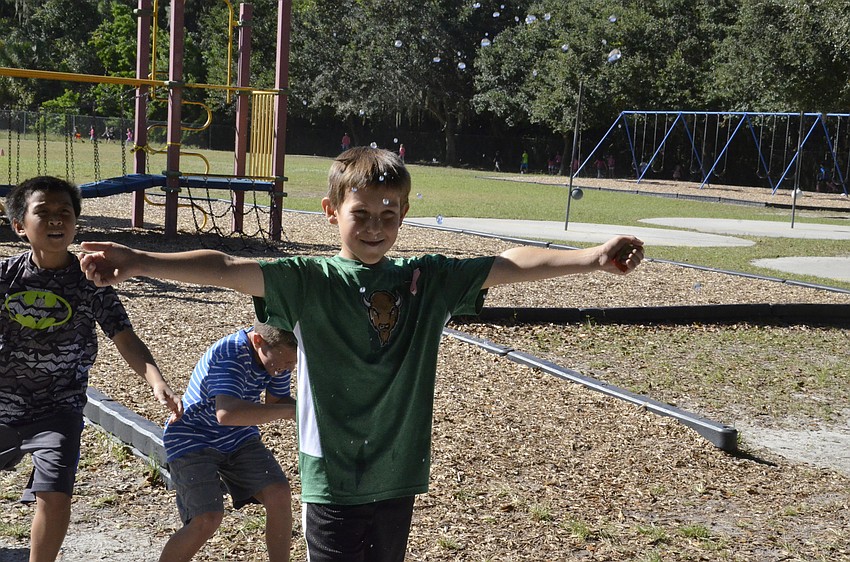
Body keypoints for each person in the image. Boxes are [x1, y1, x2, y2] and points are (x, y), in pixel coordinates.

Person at [79, 147, 643, 562]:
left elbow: (508, 264)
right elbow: (224, 269)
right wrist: (140, 259)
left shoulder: (427, 279)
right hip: (333, 479)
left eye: (389, 213)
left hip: (397, 474)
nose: (376, 226)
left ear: (404, 213)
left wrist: (591, 256)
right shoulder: (309, 280)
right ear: (331, 211)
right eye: (361, 213)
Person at [1, 176, 183, 562]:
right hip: (3, 403)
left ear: (75, 223)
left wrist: (157, 381)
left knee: (55, 493)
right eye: (43, 212)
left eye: (64, 212)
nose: (55, 220)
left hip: (58, 409)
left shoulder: (92, 281)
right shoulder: (6, 277)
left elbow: (125, 336)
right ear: (19, 226)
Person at [158, 321, 297, 562]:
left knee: (279, 494)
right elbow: (227, 414)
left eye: (293, 363)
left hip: (238, 435)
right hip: (192, 436)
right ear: (257, 342)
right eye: (285, 362)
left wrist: (319, 413)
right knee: (206, 518)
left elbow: (277, 401)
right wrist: (290, 412)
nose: (288, 368)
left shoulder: (276, 358)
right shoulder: (230, 354)